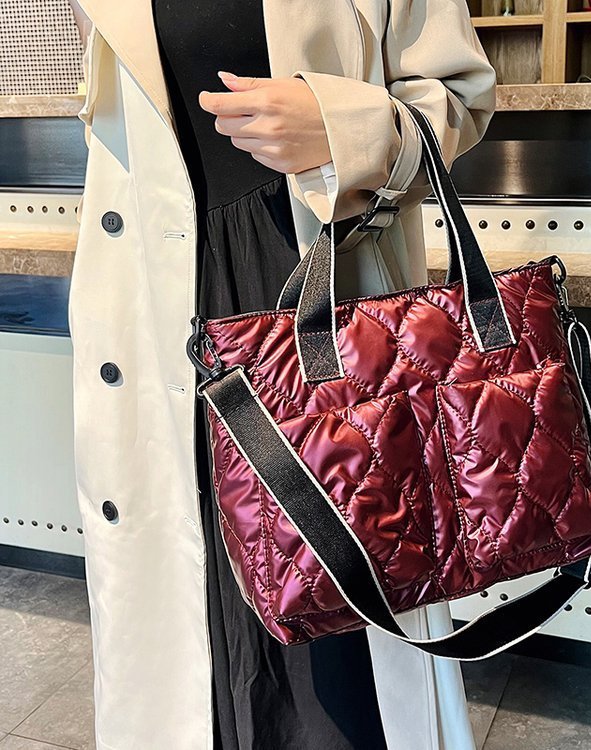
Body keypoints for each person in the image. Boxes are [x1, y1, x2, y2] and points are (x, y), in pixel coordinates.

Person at [66, 1, 497, 748]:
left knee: (341, 656)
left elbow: (459, 96)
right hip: (155, 319)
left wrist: (345, 129)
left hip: (319, 302)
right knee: (187, 646)